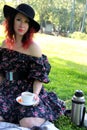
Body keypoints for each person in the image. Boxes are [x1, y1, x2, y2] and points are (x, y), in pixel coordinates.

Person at [0, 3, 66, 129]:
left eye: (26, 22)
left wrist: (35, 94)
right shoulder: (4, 44)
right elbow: (1, 72)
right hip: (7, 88)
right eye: (18, 19)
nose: (21, 25)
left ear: (29, 26)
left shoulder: (34, 48)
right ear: (12, 21)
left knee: (29, 123)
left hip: (27, 91)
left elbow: (38, 76)